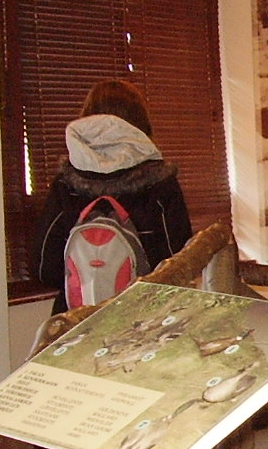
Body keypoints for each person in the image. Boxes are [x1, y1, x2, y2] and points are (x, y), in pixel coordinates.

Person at [33, 78, 193, 313]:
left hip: (79, 317)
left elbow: (44, 268)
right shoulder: (160, 182)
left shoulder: (66, 184)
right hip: (145, 317)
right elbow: (181, 264)